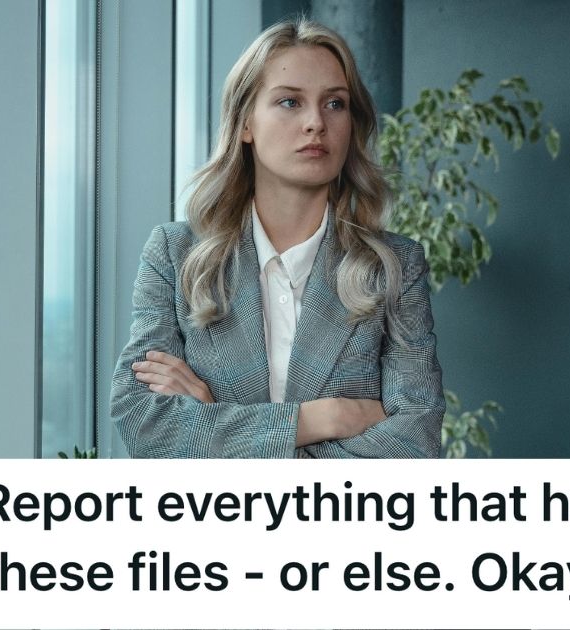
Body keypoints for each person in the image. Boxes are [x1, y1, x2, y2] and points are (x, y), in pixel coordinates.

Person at [110, 18, 444, 458]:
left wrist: (217, 422)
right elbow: (145, 426)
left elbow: (413, 448)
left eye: (335, 104)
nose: (315, 123)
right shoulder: (175, 256)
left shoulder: (394, 267)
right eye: (290, 102)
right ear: (245, 122)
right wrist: (322, 419)